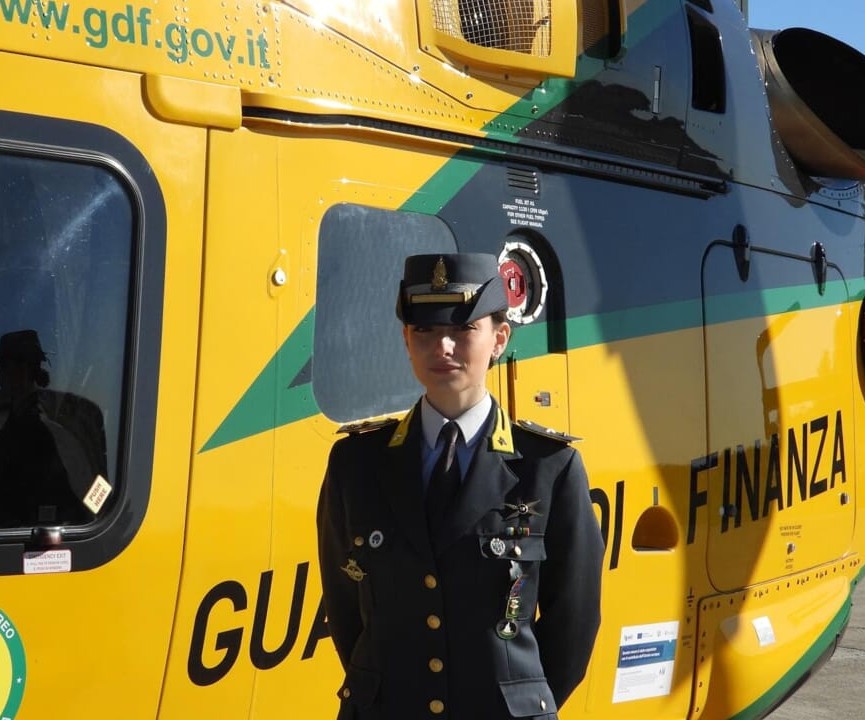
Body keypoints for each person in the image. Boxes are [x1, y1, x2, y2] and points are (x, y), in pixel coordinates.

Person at [317, 253, 604, 719]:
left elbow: (574, 619)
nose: (443, 347)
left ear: (499, 339)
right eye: (424, 331)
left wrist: (521, 705)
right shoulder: (357, 464)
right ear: (406, 340)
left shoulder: (548, 467)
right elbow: (346, 608)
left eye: (463, 329)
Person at [0, 329, 91, 526]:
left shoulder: (37, 432)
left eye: (3, 368)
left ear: (23, 371)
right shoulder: (18, 420)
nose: (1, 377)